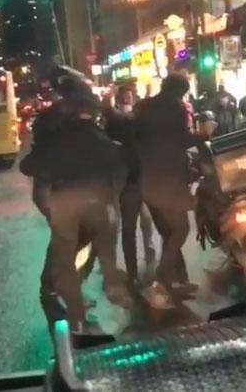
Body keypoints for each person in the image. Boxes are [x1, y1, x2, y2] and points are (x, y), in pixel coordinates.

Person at [22, 71, 131, 331]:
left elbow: (30, 165)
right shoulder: (95, 136)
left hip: (61, 197)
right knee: (91, 243)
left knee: (68, 247)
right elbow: (120, 166)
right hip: (87, 200)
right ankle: (86, 286)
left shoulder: (56, 127)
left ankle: (73, 307)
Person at [134, 74, 204, 309]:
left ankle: (173, 279)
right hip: (168, 178)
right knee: (181, 229)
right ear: (180, 91)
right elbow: (182, 139)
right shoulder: (175, 109)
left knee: (170, 230)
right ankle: (162, 278)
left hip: (149, 177)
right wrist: (203, 134)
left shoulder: (145, 107)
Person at [103, 87, 156, 285]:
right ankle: (132, 271)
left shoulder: (138, 126)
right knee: (127, 227)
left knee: (143, 222)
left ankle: (145, 260)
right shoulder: (122, 124)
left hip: (139, 182)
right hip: (129, 183)